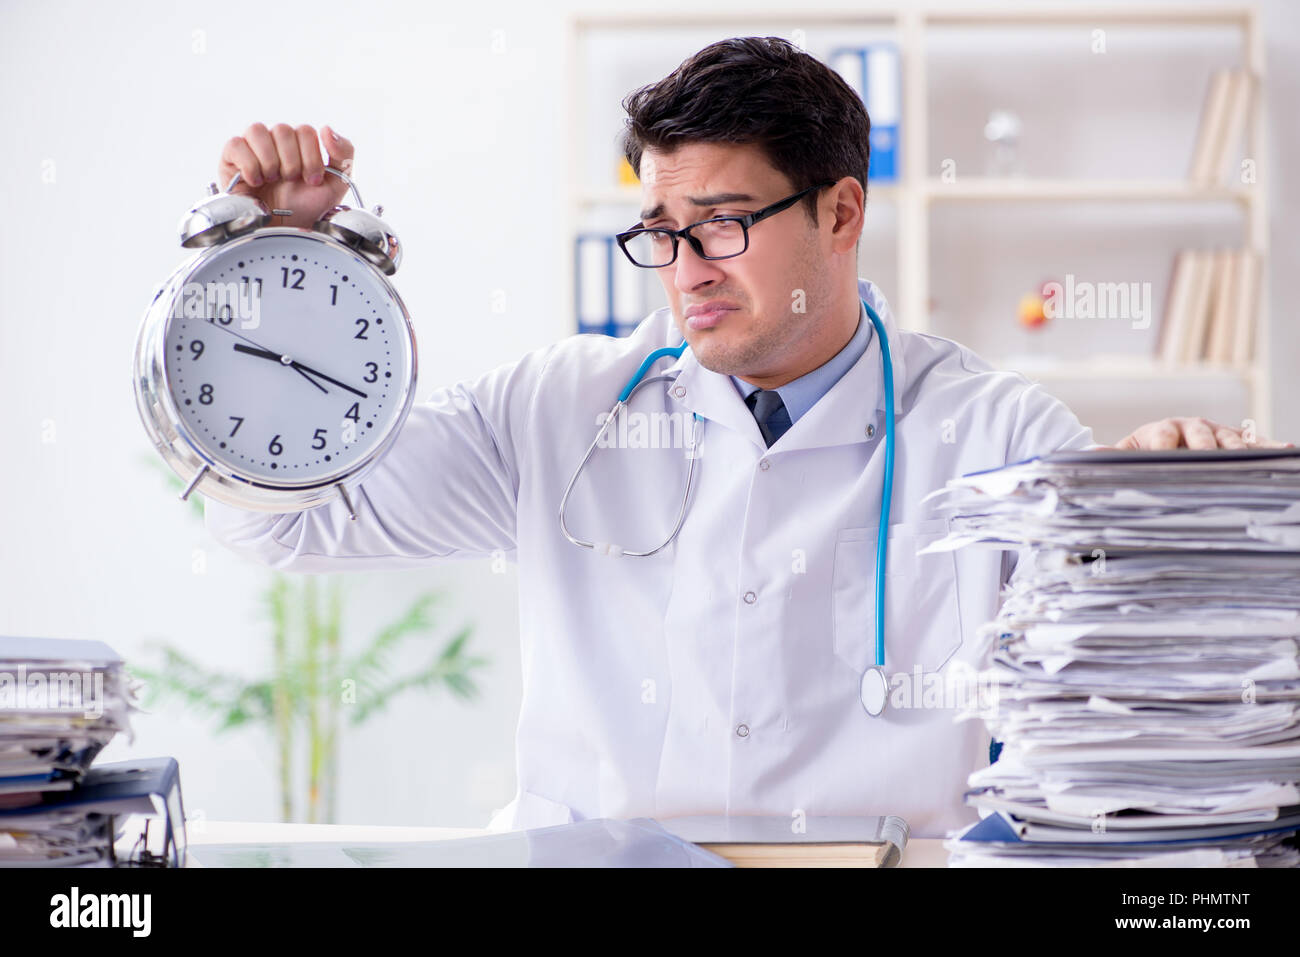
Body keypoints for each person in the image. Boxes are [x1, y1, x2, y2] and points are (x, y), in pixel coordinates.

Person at [204, 37, 1289, 837]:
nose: (687, 271)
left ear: (840, 214)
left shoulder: (987, 432)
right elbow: (289, 526)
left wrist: (1162, 514)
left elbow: (1113, 658)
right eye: (663, 234)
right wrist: (284, 274)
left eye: (722, 225)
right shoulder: (558, 409)